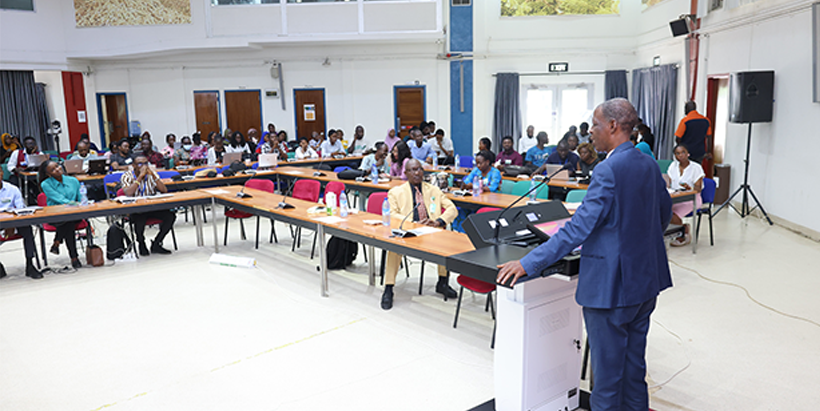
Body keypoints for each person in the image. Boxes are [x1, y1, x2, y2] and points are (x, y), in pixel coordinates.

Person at [497, 98, 673, 411]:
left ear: (613, 126)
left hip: (611, 291)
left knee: (605, 381)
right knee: (634, 372)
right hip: (645, 282)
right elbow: (663, 213)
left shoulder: (609, 169)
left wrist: (528, 263)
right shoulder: (648, 162)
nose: (590, 131)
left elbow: (577, 229)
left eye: (594, 124)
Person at [380, 159, 459, 310]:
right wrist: (414, 223)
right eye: (413, 170)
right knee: (394, 248)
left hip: (432, 230)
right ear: (406, 173)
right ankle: (388, 288)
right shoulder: (396, 192)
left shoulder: (433, 190)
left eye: (420, 169)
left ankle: (442, 282)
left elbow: (452, 209)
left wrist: (439, 221)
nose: (417, 173)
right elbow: (393, 214)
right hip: (409, 231)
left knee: (445, 241)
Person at [121, 155, 176, 256]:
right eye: (140, 164)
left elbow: (164, 190)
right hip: (136, 209)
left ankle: (157, 243)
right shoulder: (126, 176)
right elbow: (128, 193)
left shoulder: (152, 174)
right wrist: (140, 177)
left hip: (152, 207)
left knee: (170, 216)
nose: (144, 166)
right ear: (133, 166)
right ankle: (141, 243)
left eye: (146, 163)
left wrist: (154, 176)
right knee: (140, 219)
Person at [0, 166, 44, 279]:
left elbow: (20, 209)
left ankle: (30, 265)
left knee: (28, 229)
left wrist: (11, 224)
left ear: (2, 173)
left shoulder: (12, 189)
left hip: (14, 221)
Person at [39, 160, 83, 269]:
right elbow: (60, 199)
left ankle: (57, 241)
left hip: (74, 213)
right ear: (48, 174)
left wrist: (82, 203)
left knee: (69, 219)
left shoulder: (73, 180)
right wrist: (74, 204)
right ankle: (74, 257)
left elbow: (80, 197)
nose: (57, 169)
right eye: (53, 170)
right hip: (55, 215)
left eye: (57, 166)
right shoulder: (45, 184)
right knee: (68, 222)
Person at [667, 144, 705, 247]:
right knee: (663, 210)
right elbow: (668, 183)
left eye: (683, 152)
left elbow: (698, 188)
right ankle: (682, 227)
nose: (681, 156)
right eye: (677, 153)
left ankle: (682, 234)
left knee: (672, 213)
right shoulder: (672, 166)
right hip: (676, 196)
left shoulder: (696, 168)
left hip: (692, 198)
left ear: (688, 154)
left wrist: (690, 188)